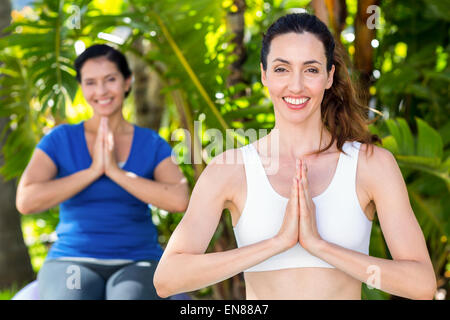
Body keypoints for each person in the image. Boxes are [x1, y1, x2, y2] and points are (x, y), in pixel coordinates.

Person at [153, 13, 437, 300]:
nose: (297, 86)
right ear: (264, 75)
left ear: (329, 76)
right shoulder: (231, 169)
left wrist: (319, 245)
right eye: (282, 69)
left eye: (311, 70)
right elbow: (167, 279)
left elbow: (422, 284)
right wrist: (277, 243)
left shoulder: (371, 165)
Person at [16, 44, 190, 300]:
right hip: (72, 260)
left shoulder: (151, 143)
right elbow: (26, 200)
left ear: (127, 82)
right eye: (90, 82)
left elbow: (179, 199)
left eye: (110, 79)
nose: (101, 91)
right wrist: (93, 170)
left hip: (137, 260)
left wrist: (116, 172)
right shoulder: (60, 139)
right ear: (82, 88)